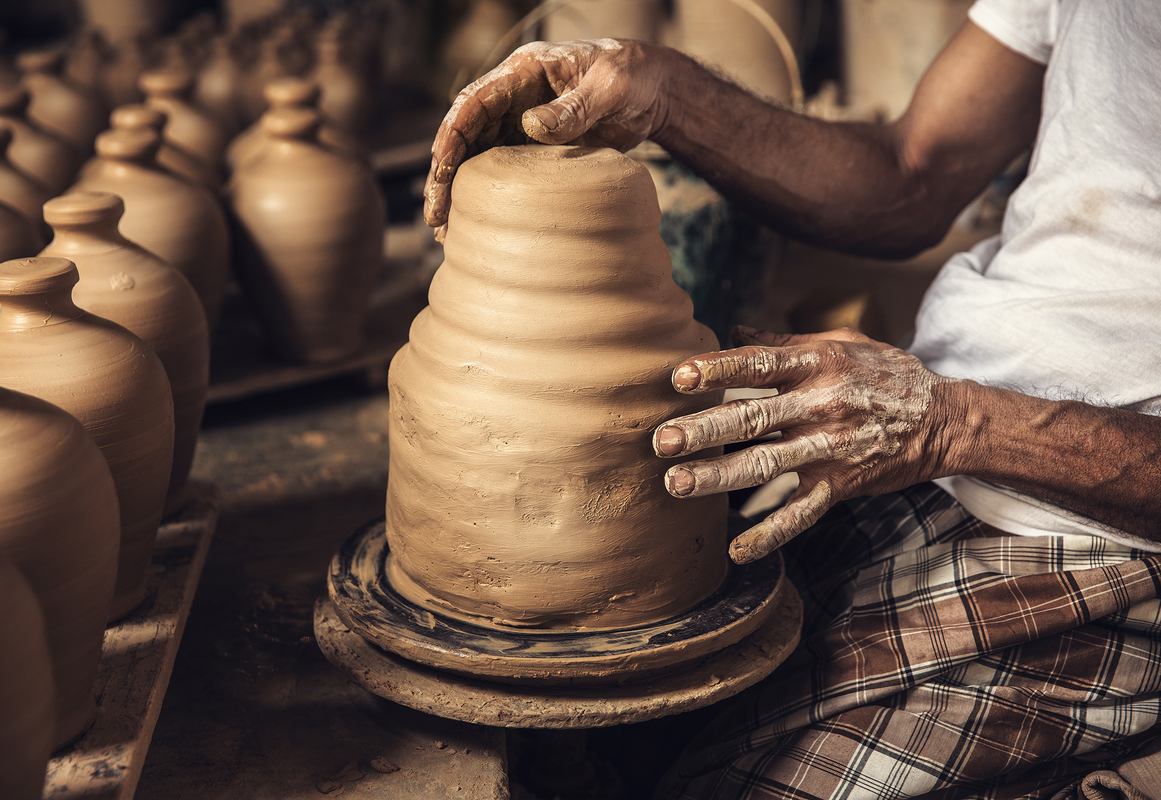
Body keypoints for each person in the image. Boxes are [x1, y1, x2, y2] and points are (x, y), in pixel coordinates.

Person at [425, 2, 1161, 798]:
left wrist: (952, 423)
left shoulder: (947, 428)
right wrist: (662, 89)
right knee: (591, 743)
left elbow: (940, 420)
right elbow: (913, 170)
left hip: (1104, 535)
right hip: (915, 439)